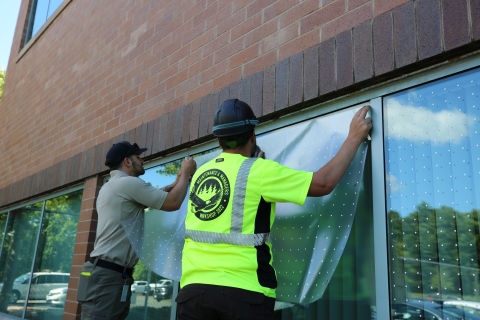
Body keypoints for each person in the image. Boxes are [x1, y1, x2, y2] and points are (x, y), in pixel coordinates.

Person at [176, 99, 372, 320]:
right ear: (252, 135)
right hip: (243, 294)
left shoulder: (202, 173)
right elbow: (324, 183)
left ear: (219, 140)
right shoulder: (259, 171)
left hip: (192, 294)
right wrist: (354, 137)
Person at [76, 141, 196, 320]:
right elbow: (172, 202)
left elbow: (156, 195)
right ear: (127, 161)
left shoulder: (113, 185)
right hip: (108, 276)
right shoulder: (128, 183)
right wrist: (186, 172)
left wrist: (178, 181)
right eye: (138, 156)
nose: (142, 159)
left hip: (107, 273)